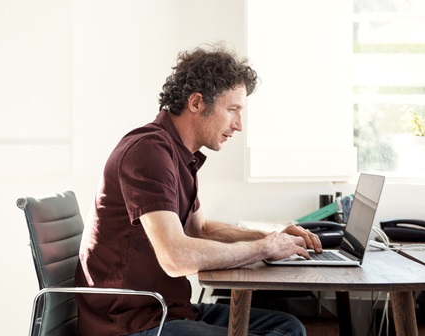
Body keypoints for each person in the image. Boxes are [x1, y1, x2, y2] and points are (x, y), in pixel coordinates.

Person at [74, 42, 322, 336]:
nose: (239, 125)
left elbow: (200, 230)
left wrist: (272, 238)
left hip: (167, 309)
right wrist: (261, 248)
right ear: (196, 103)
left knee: (287, 326)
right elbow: (176, 257)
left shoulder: (178, 154)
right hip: (131, 323)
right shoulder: (149, 152)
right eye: (232, 110)